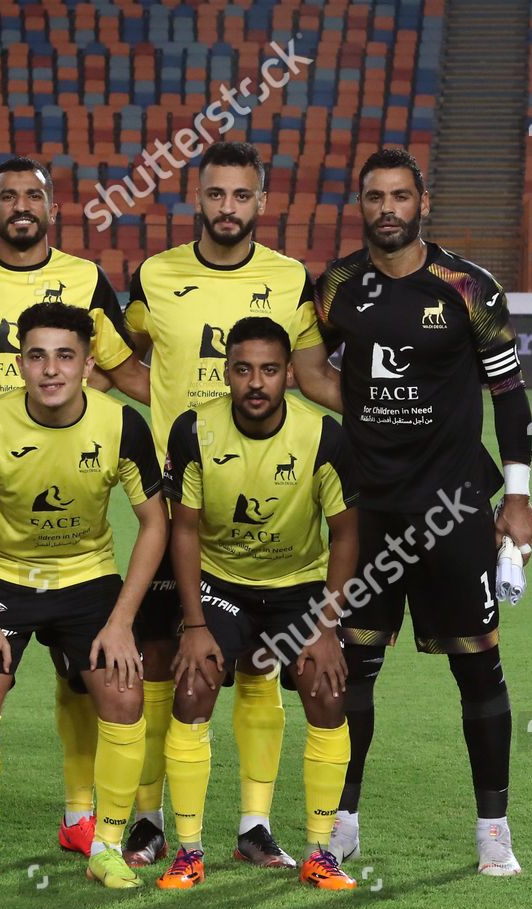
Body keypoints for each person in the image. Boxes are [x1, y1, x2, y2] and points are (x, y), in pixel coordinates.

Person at [0, 156, 152, 863]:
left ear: (53, 207)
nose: (22, 204)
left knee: (80, 678)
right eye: (9, 195)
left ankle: (83, 817)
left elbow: (116, 366)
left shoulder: (86, 281)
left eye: (34, 195)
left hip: (71, 532)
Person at [314, 147, 532, 875]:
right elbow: (310, 366)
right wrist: (364, 416)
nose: (387, 209)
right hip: (367, 512)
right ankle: (341, 821)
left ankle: (493, 832)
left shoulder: (469, 286)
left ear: (423, 202)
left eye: (399, 196)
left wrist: (519, 496)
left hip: (454, 511)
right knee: (355, 669)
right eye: (374, 197)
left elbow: (509, 396)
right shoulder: (338, 286)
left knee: (478, 668)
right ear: (362, 205)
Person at [121, 140, 342, 869]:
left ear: (261, 201)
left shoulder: (288, 278)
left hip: (270, 487)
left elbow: (308, 373)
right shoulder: (154, 274)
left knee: (261, 668)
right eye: (215, 194)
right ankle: (151, 820)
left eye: (240, 196)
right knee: (165, 658)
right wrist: (155, 420)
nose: (227, 208)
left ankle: (253, 828)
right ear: (197, 197)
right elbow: (118, 355)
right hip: (178, 493)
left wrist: (393, 419)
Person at [0, 302, 167, 890]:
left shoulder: (121, 425)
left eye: (65, 356)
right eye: (37, 356)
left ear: (88, 364)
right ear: (20, 364)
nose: (51, 369)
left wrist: (121, 621)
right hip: (2, 571)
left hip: (85, 575)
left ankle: (107, 845)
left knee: (122, 687)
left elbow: (156, 524)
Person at [159, 317, 358, 891]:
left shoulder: (323, 436)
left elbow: (345, 533)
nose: (256, 382)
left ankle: (321, 851)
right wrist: (194, 622)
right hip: (221, 581)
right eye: (243, 369)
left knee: (326, 685)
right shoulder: (194, 430)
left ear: (289, 374)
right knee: (193, 681)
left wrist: (326, 625)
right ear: (225, 372)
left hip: (296, 585)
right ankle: (190, 850)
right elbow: (186, 529)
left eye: (269, 370)